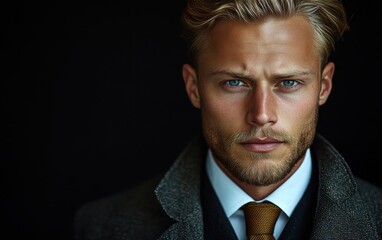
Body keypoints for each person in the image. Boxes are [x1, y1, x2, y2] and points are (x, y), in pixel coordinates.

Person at [73, 0, 382, 239]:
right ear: (193, 88)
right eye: (235, 83)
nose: (261, 114)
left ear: (324, 86)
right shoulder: (102, 227)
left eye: (288, 83)